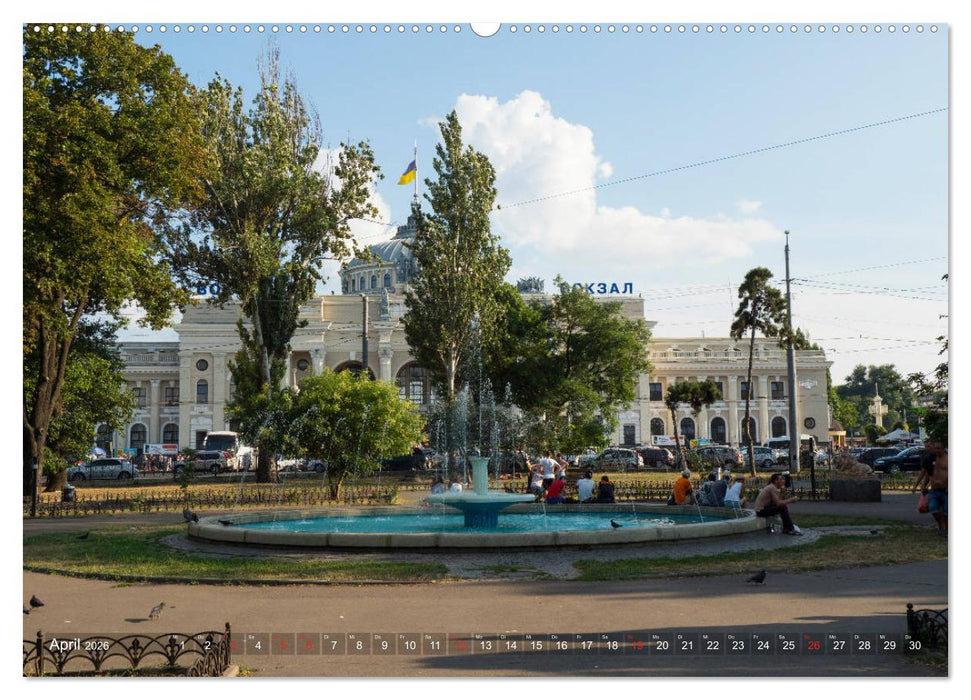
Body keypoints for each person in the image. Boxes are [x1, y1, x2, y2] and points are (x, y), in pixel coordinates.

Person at [922, 441, 948, 536]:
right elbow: (928, 474)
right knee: (933, 508)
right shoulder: (931, 458)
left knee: (946, 512)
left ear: (943, 449)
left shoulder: (949, 459)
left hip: (945, 490)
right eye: (935, 448)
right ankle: (941, 526)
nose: (936, 450)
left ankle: (944, 529)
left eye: (938, 449)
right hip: (934, 489)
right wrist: (924, 485)